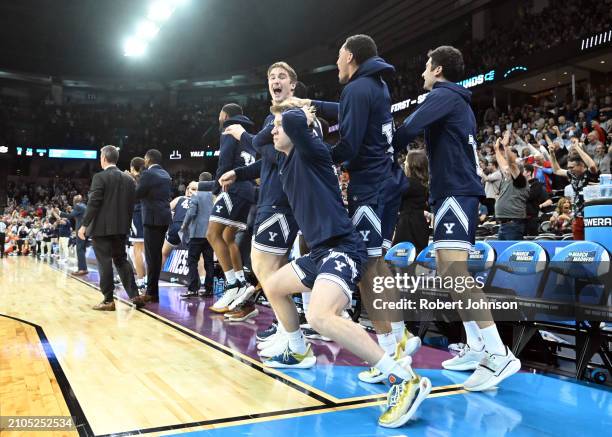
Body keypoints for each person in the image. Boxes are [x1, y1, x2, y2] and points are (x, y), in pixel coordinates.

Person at [263, 104, 431, 428]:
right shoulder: (285, 161)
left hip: (342, 247)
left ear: (302, 130)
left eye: (279, 125)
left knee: (320, 315)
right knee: (273, 285)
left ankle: (403, 379)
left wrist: (300, 109)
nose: (273, 129)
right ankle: (298, 350)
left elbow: (298, 123)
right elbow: (260, 139)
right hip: (319, 253)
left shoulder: (311, 150)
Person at [290, 35, 420, 382]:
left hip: (372, 186)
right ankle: (395, 338)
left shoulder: (358, 89)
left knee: (368, 264)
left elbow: (348, 145)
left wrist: (315, 156)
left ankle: (394, 342)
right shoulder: (370, 86)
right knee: (373, 262)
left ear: (349, 55)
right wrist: (313, 103)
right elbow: (350, 113)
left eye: (337, 56)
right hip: (383, 181)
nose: (335, 63)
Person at [393, 46, 520, 392]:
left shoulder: (444, 95)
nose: (421, 74)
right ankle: (477, 346)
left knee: (457, 274)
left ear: (436, 69)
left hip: (455, 191)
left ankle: (498, 353)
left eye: (424, 67)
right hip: (453, 191)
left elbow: (408, 130)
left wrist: (379, 137)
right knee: (450, 273)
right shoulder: (456, 100)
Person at [78, 145, 142, 311]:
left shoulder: (100, 177)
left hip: (101, 228)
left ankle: (108, 300)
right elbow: (131, 205)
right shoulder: (129, 180)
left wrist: (84, 224)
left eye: (100, 157)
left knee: (104, 262)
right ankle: (134, 295)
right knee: (121, 260)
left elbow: (94, 203)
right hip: (121, 228)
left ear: (104, 158)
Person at [206, 103, 256, 313]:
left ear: (225, 115)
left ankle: (233, 284)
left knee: (212, 234)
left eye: (220, 115)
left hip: (232, 187)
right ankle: (240, 279)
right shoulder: (249, 134)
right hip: (249, 190)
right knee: (228, 237)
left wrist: (217, 187)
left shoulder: (229, 129)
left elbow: (224, 163)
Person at [134, 149, 172, 304]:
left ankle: (150, 293)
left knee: (152, 257)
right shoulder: (165, 174)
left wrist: (134, 179)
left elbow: (138, 194)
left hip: (151, 219)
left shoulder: (148, 174)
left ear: (148, 159)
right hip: (164, 218)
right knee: (155, 256)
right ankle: (153, 292)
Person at [549, 143, 598, 240]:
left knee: (592, 244)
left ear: (581, 165)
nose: (569, 170)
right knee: (579, 246)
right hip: (577, 217)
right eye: (568, 167)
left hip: (591, 216)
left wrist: (577, 148)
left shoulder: (590, 174)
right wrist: (551, 154)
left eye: (572, 167)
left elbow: (592, 165)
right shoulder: (572, 175)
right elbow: (556, 170)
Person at [180, 172, 215, 298]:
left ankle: (193, 288)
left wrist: (184, 226)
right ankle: (209, 289)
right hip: (211, 234)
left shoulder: (196, 196)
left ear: (200, 182)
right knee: (209, 262)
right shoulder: (215, 197)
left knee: (192, 261)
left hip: (196, 234)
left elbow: (191, 214)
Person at [494, 132, 529, 241]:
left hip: (513, 225)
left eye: (508, 167)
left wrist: (505, 146)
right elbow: (503, 164)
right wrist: (496, 150)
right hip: (505, 224)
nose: (505, 168)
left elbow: (511, 164)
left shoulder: (520, 180)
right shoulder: (507, 178)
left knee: (510, 256)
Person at [392, 150, 429, 254]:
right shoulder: (426, 183)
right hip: (421, 225)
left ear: (411, 165)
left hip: (407, 225)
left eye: (406, 161)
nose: (404, 163)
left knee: (401, 259)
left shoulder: (407, 183)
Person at [161, 181, 198, 270]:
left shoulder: (180, 198)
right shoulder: (200, 200)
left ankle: (153, 277)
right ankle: (202, 278)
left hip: (176, 226)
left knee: (164, 253)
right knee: (197, 256)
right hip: (189, 228)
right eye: (188, 188)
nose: (189, 190)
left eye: (192, 189)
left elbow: (166, 210)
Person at [127, 157, 147, 291]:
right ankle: (145, 278)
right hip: (147, 213)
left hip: (137, 214)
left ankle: (140, 280)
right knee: (144, 250)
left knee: (137, 250)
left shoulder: (133, 180)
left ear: (133, 168)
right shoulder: (148, 177)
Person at [60, 195, 88, 275]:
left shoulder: (78, 206)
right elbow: (77, 216)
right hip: (86, 229)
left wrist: (59, 212)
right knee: (82, 249)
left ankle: (82, 269)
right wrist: (71, 210)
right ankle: (84, 268)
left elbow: (70, 216)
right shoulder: (83, 206)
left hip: (81, 230)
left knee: (79, 249)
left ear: (75, 201)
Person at [524, 163, 552, 236]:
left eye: (522, 171)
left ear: (528, 173)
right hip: (520, 218)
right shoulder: (520, 185)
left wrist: (541, 206)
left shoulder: (537, 185)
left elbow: (549, 200)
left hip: (531, 218)